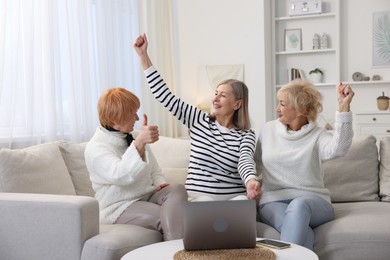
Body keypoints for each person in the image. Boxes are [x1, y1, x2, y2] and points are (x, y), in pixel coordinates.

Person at [133, 33, 261, 202]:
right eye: (215, 93)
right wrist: (143, 56)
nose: (215, 99)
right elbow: (165, 96)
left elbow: (245, 160)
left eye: (222, 95)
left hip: (231, 200)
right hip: (199, 199)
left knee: (242, 202)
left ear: (237, 104)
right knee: (205, 203)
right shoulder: (199, 120)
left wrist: (251, 180)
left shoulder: (246, 135)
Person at [254, 79, 355, 250]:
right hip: (273, 201)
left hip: (313, 201)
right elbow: (255, 163)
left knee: (299, 206)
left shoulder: (318, 135)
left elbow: (339, 148)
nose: (277, 109)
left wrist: (343, 107)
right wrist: (249, 182)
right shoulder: (268, 130)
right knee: (302, 232)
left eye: (283, 104)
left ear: (301, 109)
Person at [84, 87, 188, 241]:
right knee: (167, 217)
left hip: (147, 195)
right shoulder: (96, 148)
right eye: (132, 115)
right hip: (119, 206)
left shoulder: (134, 136)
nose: (137, 119)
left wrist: (160, 183)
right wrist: (139, 143)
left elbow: (153, 168)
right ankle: (176, 252)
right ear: (114, 120)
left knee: (177, 189)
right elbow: (121, 176)